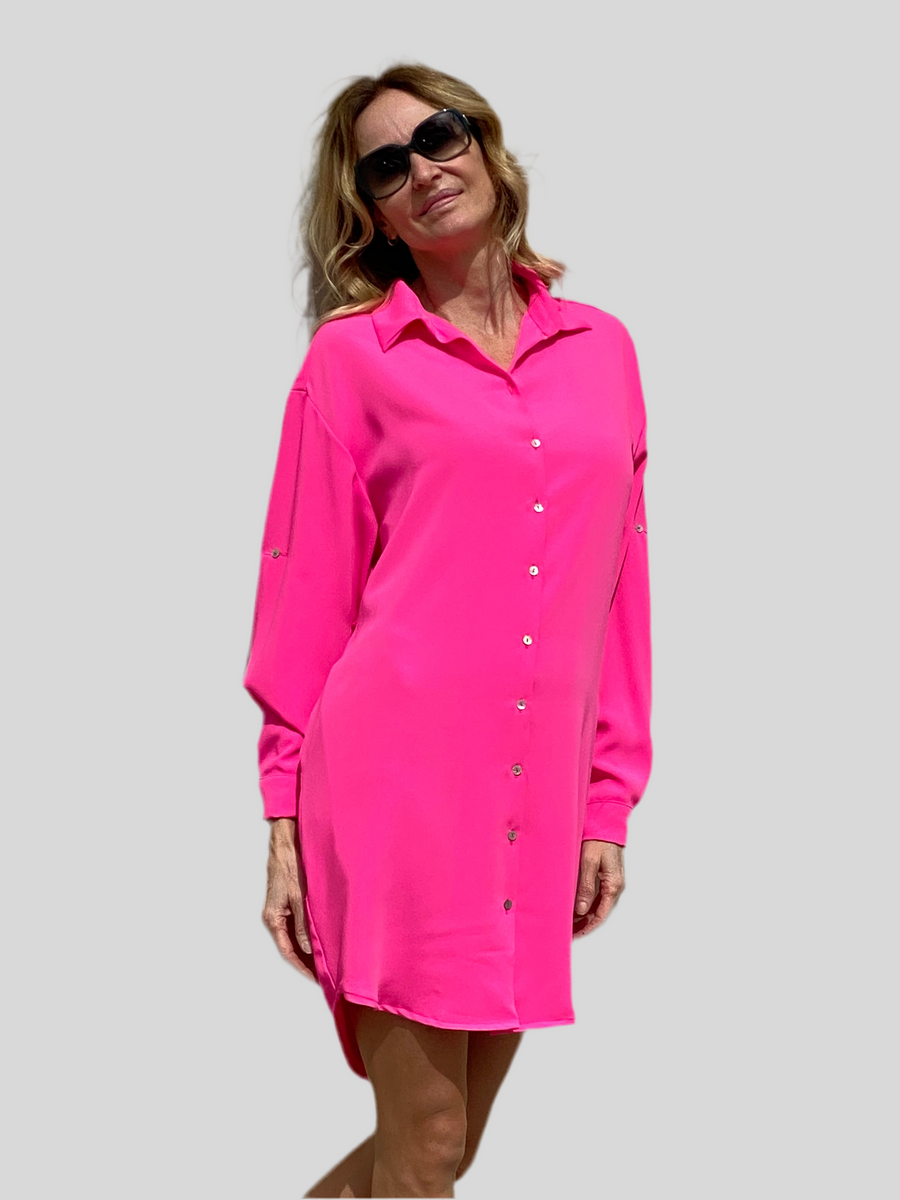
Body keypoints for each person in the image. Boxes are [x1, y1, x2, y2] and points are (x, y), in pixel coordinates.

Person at [242, 62, 653, 1199]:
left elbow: (622, 586)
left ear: (484, 145)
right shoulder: (351, 362)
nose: (423, 168)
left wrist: (609, 797)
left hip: (535, 790)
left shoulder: (604, 349)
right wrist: (282, 814)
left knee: (442, 1144)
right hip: (396, 788)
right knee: (423, 1145)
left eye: (440, 135)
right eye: (386, 165)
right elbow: (302, 599)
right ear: (372, 214)